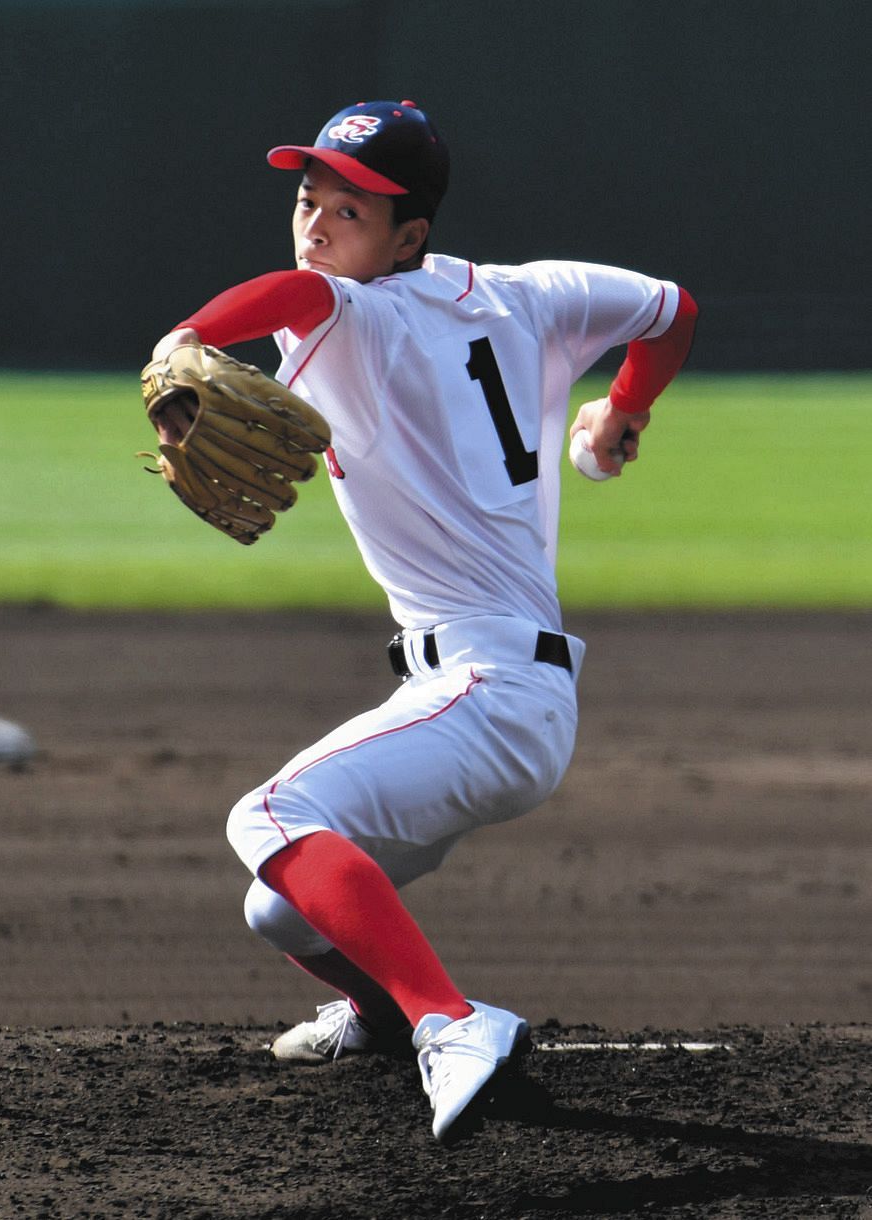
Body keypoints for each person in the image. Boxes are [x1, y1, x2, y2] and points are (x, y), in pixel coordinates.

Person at [148, 99, 698, 1140]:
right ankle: (377, 1012)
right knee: (282, 904)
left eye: (347, 209)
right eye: (308, 196)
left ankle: (451, 1020)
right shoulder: (532, 296)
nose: (316, 222)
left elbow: (293, 292)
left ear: (408, 238)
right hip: (498, 696)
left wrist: (187, 337)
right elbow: (671, 310)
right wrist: (622, 413)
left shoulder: (360, 313)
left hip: (485, 691)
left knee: (265, 819)